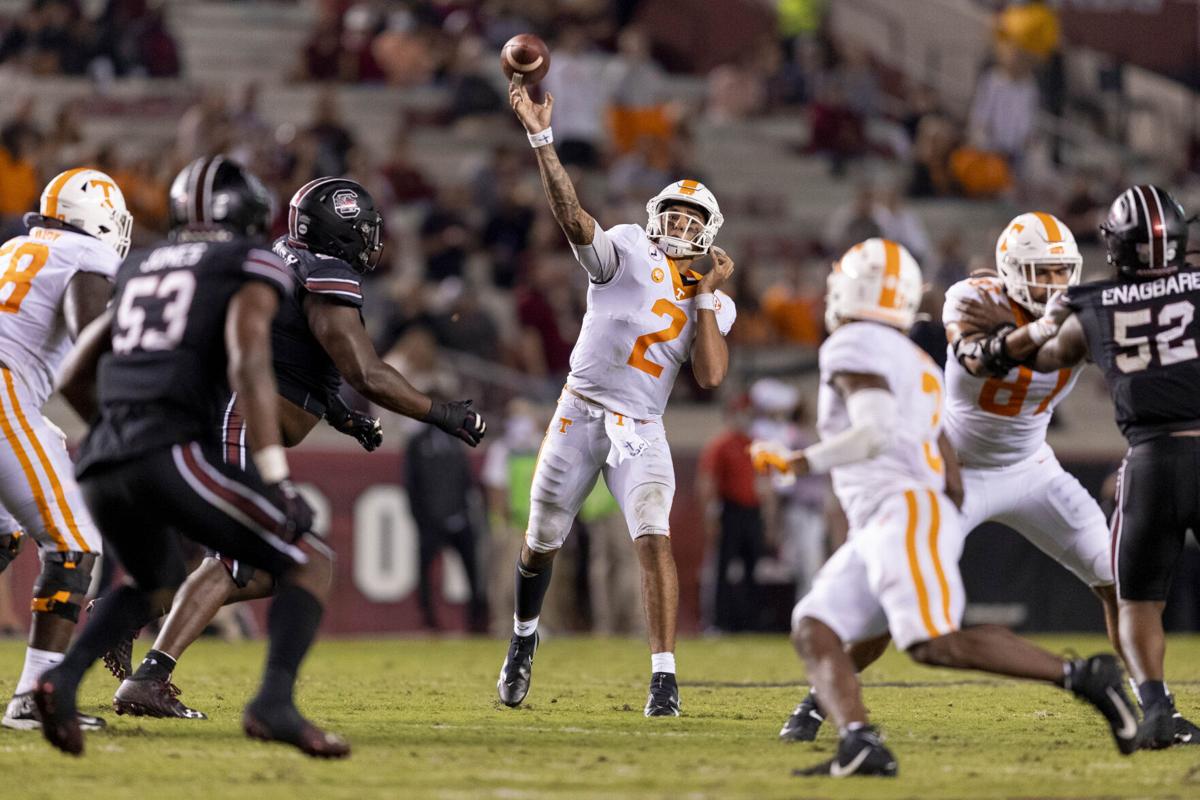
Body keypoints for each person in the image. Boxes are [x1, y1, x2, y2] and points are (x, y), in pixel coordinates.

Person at [779, 211, 1200, 743]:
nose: (1051, 284)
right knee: (889, 603)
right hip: (953, 474)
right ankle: (820, 702)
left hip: (1034, 470)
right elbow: (980, 358)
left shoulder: (1084, 305)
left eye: (1059, 272)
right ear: (1008, 269)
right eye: (1038, 272)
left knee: (1118, 581)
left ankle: (1154, 707)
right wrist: (1049, 326)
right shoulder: (974, 298)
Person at [104, 176, 486, 718]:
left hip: (221, 412)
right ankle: (150, 674)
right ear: (342, 230)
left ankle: (127, 616)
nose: (373, 239)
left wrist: (342, 416)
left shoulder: (288, 259)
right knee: (241, 559)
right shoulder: (326, 271)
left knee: (266, 568)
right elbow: (367, 372)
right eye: (364, 229)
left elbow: (293, 358)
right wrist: (442, 413)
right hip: (237, 419)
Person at [32, 156, 346, 757]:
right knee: (309, 561)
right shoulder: (248, 262)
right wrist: (276, 476)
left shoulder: (144, 263)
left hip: (103, 455)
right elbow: (250, 363)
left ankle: (59, 681)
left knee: (154, 581)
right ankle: (273, 703)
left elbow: (74, 373)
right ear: (250, 217)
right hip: (165, 447)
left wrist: (116, 427)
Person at [497, 77, 737, 717]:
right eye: (674, 214)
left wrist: (705, 293)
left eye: (692, 219)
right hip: (579, 410)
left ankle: (664, 677)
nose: (679, 224)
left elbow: (711, 377)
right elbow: (572, 218)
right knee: (542, 536)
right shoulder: (630, 245)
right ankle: (524, 638)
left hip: (643, 425)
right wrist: (541, 139)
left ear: (708, 233)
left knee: (653, 536)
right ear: (659, 217)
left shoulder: (714, 299)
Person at [960, 185, 1200, 749]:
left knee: (1135, 597)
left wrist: (1011, 334)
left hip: (1149, 462)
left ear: (1114, 246)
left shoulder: (1092, 304)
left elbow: (1041, 356)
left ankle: (1158, 707)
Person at [0, 168, 131, 732]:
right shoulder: (86, 253)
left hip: (14, 399)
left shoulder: (13, 247)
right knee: (76, 541)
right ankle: (38, 695)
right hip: (4, 394)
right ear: (99, 216)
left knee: (4, 533)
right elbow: (88, 339)